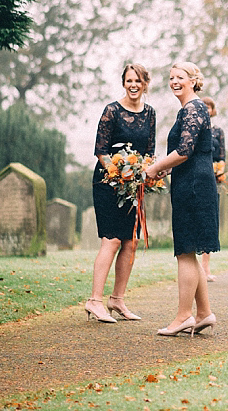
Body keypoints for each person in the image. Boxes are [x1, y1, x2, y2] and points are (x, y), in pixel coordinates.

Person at [144, 62, 219, 336]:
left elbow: (185, 150)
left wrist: (154, 168)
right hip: (192, 181)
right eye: (171, 77)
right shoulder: (190, 109)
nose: (174, 81)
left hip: (194, 185)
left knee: (185, 251)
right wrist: (163, 166)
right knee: (190, 251)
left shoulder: (193, 108)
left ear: (193, 80)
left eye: (180, 77)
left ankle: (183, 316)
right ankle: (204, 313)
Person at [85, 64, 156, 323]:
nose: (133, 85)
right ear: (123, 83)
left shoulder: (150, 113)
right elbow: (101, 150)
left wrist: (144, 174)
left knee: (131, 241)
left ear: (145, 83)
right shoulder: (112, 111)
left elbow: (149, 151)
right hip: (107, 181)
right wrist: (117, 173)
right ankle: (94, 300)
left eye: (138, 80)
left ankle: (117, 300)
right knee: (112, 240)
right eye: (129, 80)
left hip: (133, 185)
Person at [200, 96, 225, 282]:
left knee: (209, 222)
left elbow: (221, 156)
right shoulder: (195, 127)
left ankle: (206, 268)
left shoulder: (218, 131)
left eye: (210, 107)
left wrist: (220, 171)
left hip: (213, 179)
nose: (207, 110)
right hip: (198, 175)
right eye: (204, 107)